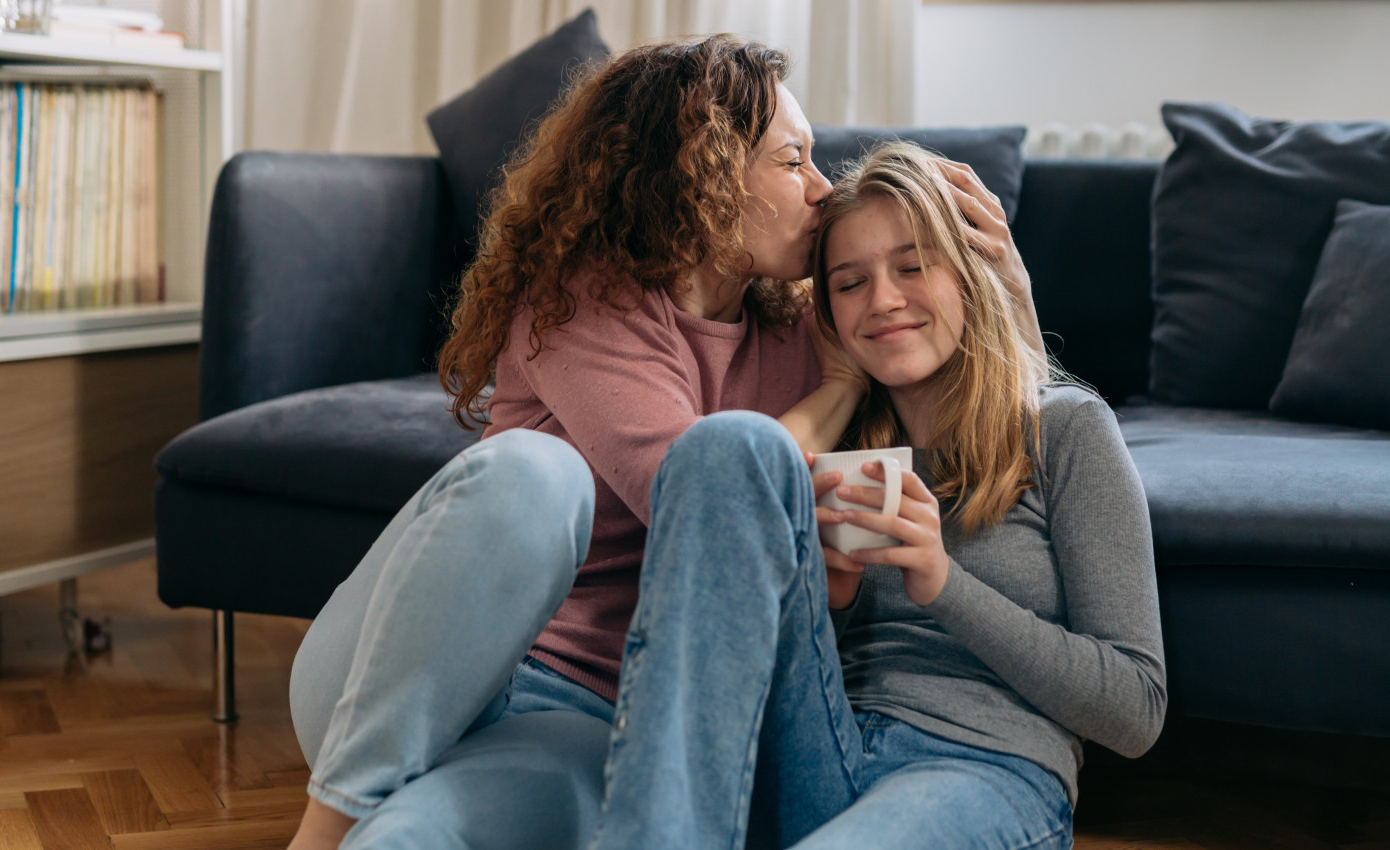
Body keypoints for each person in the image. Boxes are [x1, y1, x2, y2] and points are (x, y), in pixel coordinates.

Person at [286, 34, 1040, 849]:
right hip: (427, 674)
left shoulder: (805, 327)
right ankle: (323, 825)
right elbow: (706, 493)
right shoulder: (580, 305)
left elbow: (969, 399)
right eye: (793, 163)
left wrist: (1014, 292)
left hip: (595, 716)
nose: (822, 191)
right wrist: (837, 393)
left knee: (409, 840)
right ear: (705, 175)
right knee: (535, 475)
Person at [584, 141, 1166, 850]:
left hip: (981, 765)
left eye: (914, 267)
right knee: (725, 447)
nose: (884, 301)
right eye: (850, 282)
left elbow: (1136, 711)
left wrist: (943, 583)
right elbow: (744, 615)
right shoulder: (841, 442)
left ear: (969, 274)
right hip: (818, 754)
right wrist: (827, 597)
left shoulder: (1067, 428)